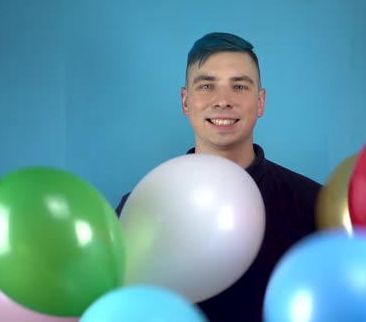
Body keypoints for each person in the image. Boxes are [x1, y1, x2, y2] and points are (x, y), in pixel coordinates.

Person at [115, 32, 322, 321]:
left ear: (260, 102)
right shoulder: (141, 207)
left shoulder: (312, 204)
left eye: (239, 86)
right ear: (185, 102)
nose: (223, 101)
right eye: (206, 86)